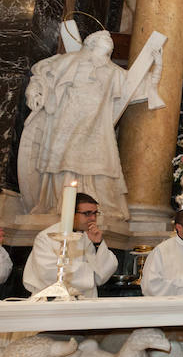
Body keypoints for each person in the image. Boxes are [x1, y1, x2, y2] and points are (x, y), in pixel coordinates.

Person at [17, 29, 162, 220]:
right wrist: (33, 92)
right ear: (91, 43)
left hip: (96, 128)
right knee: (63, 162)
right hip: (66, 122)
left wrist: (158, 67)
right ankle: (59, 205)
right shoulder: (68, 61)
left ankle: (97, 208)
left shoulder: (113, 72)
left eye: (109, 39)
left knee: (100, 165)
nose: (108, 39)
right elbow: (42, 77)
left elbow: (141, 87)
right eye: (103, 38)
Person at [23, 193, 118, 298]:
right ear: (71, 214)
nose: (93, 218)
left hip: (85, 300)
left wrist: (98, 244)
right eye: (87, 213)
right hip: (51, 301)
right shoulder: (47, 237)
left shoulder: (90, 236)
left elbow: (103, 274)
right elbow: (48, 271)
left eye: (95, 213)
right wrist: (89, 271)